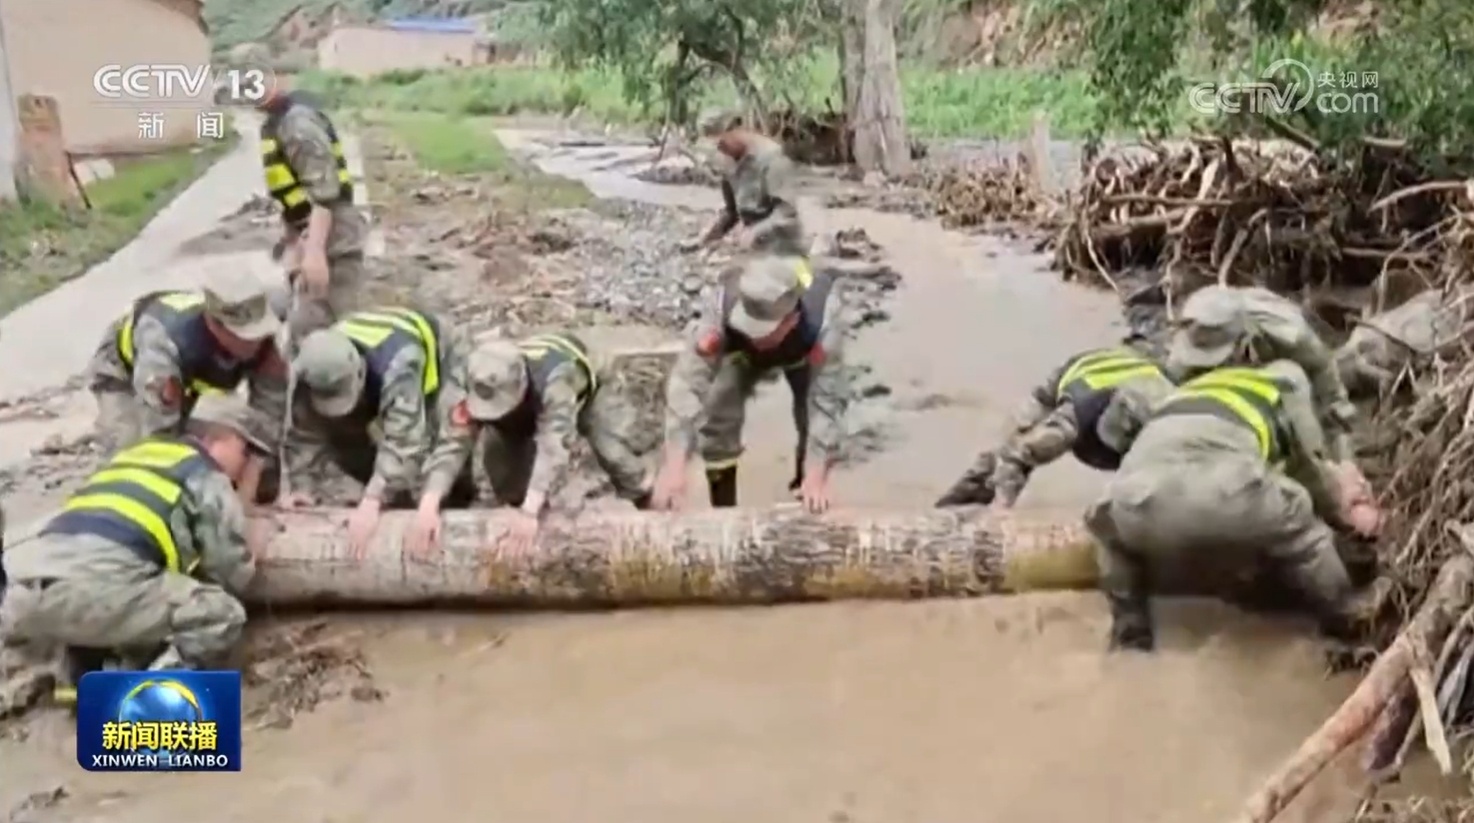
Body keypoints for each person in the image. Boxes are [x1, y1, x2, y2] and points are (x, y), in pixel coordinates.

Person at [1084, 360, 1382, 652]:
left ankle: (1130, 635)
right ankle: (1346, 624)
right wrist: (1342, 520)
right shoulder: (1279, 393)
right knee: (1302, 526)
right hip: (1227, 494)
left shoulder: (1178, 400)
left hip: (1137, 502)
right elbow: (1309, 473)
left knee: (1110, 532)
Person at [0, 394, 272, 700]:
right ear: (223, 438)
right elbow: (232, 574)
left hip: (23, 594)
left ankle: (80, 679)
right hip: (96, 594)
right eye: (246, 452)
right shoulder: (204, 474)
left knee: (128, 583)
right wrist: (250, 532)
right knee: (221, 613)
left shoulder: (135, 455)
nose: (247, 463)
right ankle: (143, 700)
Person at [410, 333, 655, 556]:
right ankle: (520, 516)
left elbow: (554, 447)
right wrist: (429, 503)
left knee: (612, 451)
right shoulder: (474, 379)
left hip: (589, 387)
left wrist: (530, 511)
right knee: (502, 469)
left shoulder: (556, 381)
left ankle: (648, 502)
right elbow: (452, 444)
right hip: (525, 406)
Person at [651, 253, 852, 512]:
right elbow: (687, 384)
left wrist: (817, 474)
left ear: (791, 320)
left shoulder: (822, 325)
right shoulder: (721, 315)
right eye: (749, 325)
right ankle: (723, 508)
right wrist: (674, 466)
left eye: (763, 330)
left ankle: (805, 490)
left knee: (809, 418)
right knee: (718, 411)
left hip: (800, 354)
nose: (754, 335)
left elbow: (827, 404)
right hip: (739, 353)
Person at [286, 305, 476, 556]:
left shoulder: (400, 363)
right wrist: (302, 487)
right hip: (374, 373)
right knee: (342, 434)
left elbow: (405, 441)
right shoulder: (311, 368)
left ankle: (455, 502)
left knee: (441, 441)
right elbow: (304, 430)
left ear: (359, 371)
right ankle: (392, 495)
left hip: (443, 358)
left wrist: (373, 499)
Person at [937, 310, 1173, 507]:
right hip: (1075, 377)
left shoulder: (1172, 417)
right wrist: (1002, 509)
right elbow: (1019, 453)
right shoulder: (1075, 418)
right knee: (1008, 450)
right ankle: (956, 504)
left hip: (1133, 365)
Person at [87, 269, 288, 455]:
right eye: (243, 336)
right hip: (120, 371)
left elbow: (272, 415)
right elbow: (160, 434)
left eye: (260, 332)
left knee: (247, 444)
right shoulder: (163, 351)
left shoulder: (264, 319)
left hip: (190, 369)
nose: (254, 343)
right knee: (130, 449)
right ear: (214, 325)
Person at [238, 80, 368, 343]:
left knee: (326, 328)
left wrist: (315, 252)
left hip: (333, 235)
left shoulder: (297, 123)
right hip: (310, 232)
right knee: (303, 321)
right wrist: (292, 241)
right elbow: (291, 191)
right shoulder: (275, 123)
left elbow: (325, 192)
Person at [1168, 285, 1357, 463]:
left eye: (1221, 360)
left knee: (1293, 382)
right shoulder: (1184, 350)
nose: (1217, 368)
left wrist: (1343, 460)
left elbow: (1331, 396)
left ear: (1243, 340)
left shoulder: (1292, 337)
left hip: (1273, 366)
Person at [679, 110, 808, 258]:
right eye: (716, 147)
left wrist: (756, 231)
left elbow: (787, 211)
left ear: (736, 130)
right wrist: (703, 240)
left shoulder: (773, 159)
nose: (721, 150)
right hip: (753, 247)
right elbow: (731, 213)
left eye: (722, 143)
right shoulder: (726, 161)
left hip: (784, 245)